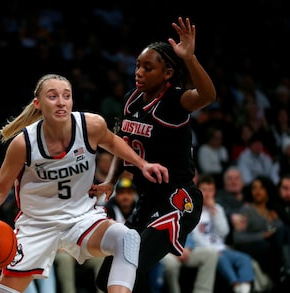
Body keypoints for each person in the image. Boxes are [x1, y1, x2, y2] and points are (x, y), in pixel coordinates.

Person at [0, 73, 169, 293]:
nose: (61, 101)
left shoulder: (91, 125)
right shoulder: (23, 144)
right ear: (38, 104)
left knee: (127, 238)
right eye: (52, 96)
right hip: (37, 224)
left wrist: (142, 164)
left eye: (66, 96)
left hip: (81, 218)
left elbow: (113, 142)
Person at [95, 17, 216, 293]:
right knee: (105, 280)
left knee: (128, 267)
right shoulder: (131, 99)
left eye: (148, 68)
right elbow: (120, 143)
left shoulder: (175, 100)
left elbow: (208, 95)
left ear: (167, 74)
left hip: (178, 200)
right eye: (138, 65)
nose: (139, 72)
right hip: (148, 200)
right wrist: (110, 182)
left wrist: (190, 58)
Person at [192, 174, 254, 293]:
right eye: (204, 190)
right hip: (205, 250)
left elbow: (224, 232)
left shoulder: (218, 208)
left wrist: (214, 213)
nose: (207, 194)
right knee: (220, 258)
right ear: (197, 190)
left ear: (215, 192)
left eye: (210, 190)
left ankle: (244, 289)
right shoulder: (193, 210)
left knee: (245, 259)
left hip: (222, 248)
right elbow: (195, 237)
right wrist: (212, 250)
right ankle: (236, 286)